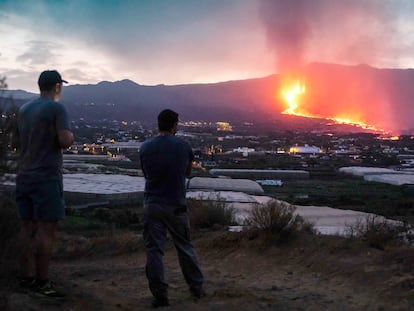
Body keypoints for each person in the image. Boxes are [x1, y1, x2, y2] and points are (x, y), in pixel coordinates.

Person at [14, 70, 74, 298]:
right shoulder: (57, 108)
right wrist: (71, 136)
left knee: (25, 229)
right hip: (46, 177)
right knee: (46, 231)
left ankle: (25, 278)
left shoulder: (25, 109)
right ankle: (42, 281)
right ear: (57, 86)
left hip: (24, 175)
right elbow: (64, 140)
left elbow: (20, 142)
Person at [140, 109, 205, 308]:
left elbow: (146, 174)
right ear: (174, 125)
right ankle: (196, 289)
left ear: (159, 124)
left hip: (152, 204)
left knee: (154, 250)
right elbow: (187, 173)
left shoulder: (145, 147)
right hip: (176, 204)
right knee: (185, 246)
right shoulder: (183, 146)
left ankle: (160, 295)